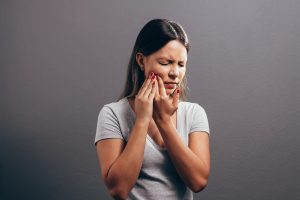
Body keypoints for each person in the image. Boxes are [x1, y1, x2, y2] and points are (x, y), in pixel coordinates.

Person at [95, 18, 210, 200]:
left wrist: (164, 121)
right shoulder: (112, 114)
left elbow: (198, 182)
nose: (175, 73)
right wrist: (142, 120)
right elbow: (118, 189)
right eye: (165, 63)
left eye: (181, 64)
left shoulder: (194, 113)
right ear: (141, 61)